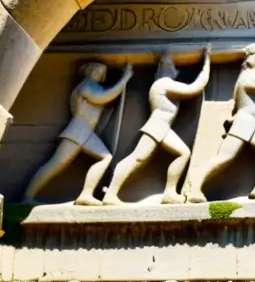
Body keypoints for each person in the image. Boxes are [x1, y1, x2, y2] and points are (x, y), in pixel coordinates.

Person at [181, 44, 255, 203]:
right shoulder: (250, 77)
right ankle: (195, 181)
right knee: (225, 157)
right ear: (250, 58)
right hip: (245, 122)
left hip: (252, 123)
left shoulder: (248, 76)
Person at [104, 46, 212, 205]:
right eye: (172, 66)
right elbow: (194, 88)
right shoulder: (164, 83)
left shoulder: (161, 84)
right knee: (137, 158)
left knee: (182, 153)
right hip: (157, 127)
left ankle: (169, 192)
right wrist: (206, 63)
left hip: (163, 127)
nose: (175, 70)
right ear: (166, 69)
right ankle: (111, 194)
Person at [25, 61, 133, 205]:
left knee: (105, 157)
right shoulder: (87, 85)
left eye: (103, 72)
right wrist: (125, 78)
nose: (101, 75)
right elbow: (102, 97)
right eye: (99, 71)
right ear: (91, 72)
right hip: (78, 129)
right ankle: (27, 197)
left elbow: (105, 100)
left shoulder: (94, 86)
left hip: (87, 131)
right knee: (57, 163)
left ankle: (86, 194)